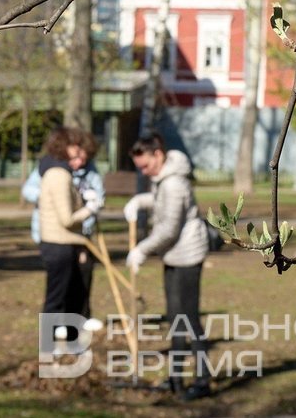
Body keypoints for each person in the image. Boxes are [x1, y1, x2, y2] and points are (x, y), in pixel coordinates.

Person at [124, 133, 210, 401]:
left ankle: (203, 381)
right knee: (175, 318)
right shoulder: (163, 178)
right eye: (139, 168)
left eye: (145, 165)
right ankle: (176, 378)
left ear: (158, 154)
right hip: (173, 255)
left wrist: (142, 249)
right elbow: (160, 202)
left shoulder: (174, 182)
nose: (144, 171)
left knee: (188, 319)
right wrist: (140, 201)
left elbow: (170, 229)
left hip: (188, 254)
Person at [37, 127, 103, 340]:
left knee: (73, 294)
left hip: (66, 242)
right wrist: (90, 209)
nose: (78, 155)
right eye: (75, 149)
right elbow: (66, 219)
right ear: (63, 147)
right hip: (59, 244)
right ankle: (48, 346)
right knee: (56, 297)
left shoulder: (61, 173)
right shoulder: (58, 175)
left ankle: (73, 342)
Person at [22, 131, 105, 242]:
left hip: (81, 230)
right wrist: (54, 197)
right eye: (76, 158)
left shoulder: (91, 171)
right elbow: (28, 190)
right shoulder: (50, 167)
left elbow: (99, 196)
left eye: (84, 160)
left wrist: (92, 202)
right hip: (51, 232)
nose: (79, 163)